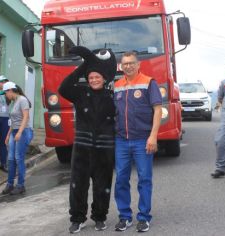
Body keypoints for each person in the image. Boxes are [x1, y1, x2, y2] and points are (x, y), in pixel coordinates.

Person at [58, 46, 117, 234]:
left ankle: (100, 217)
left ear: (104, 78)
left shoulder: (113, 96)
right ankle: (77, 219)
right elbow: (63, 88)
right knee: (78, 185)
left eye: (97, 77)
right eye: (91, 77)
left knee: (103, 186)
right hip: (82, 148)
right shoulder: (80, 93)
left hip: (105, 148)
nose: (93, 80)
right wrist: (86, 66)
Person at [114, 51, 162, 232]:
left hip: (143, 139)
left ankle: (143, 217)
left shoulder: (149, 82)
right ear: (121, 66)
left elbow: (158, 110)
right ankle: (125, 216)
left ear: (138, 64)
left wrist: (153, 136)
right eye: (125, 63)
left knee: (144, 179)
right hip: (121, 141)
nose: (128, 66)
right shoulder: (117, 85)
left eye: (131, 63)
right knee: (121, 179)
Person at [0, 81, 33, 195]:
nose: (5, 95)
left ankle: (20, 185)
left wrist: (19, 132)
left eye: (5, 93)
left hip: (23, 132)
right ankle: (10, 184)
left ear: (10, 90)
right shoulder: (14, 102)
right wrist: (9, 134)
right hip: (14, 132)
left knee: (19, 158)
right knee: (10, 159)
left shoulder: (22, 100)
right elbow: (13, 121)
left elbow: (25, 117)